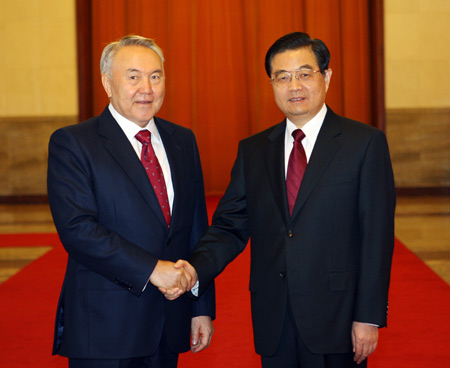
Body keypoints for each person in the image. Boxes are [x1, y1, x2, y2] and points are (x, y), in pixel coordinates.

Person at [185, 32, 396, 367]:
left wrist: (368, 316)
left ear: (326, 76)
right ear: (272, 83)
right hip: (274, 316)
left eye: (304, 74)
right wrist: (193, 270)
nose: (293, 86)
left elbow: (377, 237)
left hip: (338, 317)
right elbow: (229, 226)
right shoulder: (254, 151)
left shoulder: (364, 144)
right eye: (282, 77)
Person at [47, 35, 215, 368]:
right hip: (106, 328)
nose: (147, 88)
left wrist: (200, 307)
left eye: (156, 76)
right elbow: (77, 230)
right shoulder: (74, 143)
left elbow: (196, 230)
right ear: (108, 83)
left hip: (171, 321)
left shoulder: (182, 140)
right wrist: (152, 270)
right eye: (134, 76)